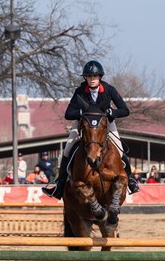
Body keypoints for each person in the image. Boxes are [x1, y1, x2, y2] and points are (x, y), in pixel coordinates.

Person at [42, 60, 140, 199]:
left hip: (105, 125)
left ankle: (130, 181)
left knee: (119, 148)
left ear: (99, 77)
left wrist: (112, 112)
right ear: (85, 78)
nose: (92, 79)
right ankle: (59, 186)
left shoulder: (109, 89)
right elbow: (68, 113)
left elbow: (125, 110)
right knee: (67, 150)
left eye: (94, 76)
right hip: (84, 125)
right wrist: (81, 113)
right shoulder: (80, 91)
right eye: (89, 76)